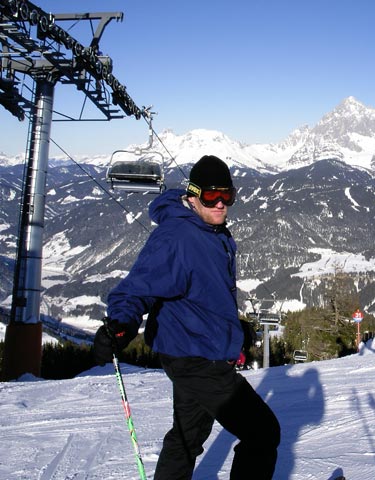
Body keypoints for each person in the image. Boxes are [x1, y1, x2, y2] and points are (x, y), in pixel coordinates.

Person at [93, 155, 280, 479]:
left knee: (186, 437)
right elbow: (136, 288)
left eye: (227, 195)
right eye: (211, 196)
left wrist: (233, 330)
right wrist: (122, 324)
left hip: (192, 346)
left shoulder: (208, 229)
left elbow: (205, 293)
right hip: (196, 356)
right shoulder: (178, 237)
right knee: (262, 433)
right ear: (193, 196)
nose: (221, 203)